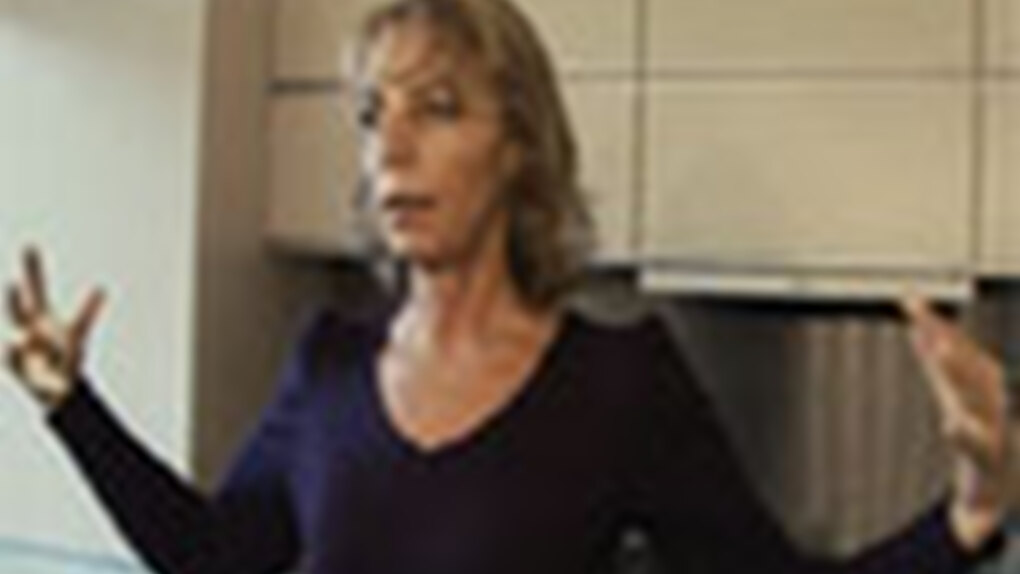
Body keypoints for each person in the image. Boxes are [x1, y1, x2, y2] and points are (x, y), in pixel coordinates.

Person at [3, 0, 1012, 572]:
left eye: (437, 108)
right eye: (372, 114)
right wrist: (69, 406)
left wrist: (969, 511)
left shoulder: (618, 383)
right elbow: (215, 558)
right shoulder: (327, 365)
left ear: (519, 147)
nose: (391, 145)